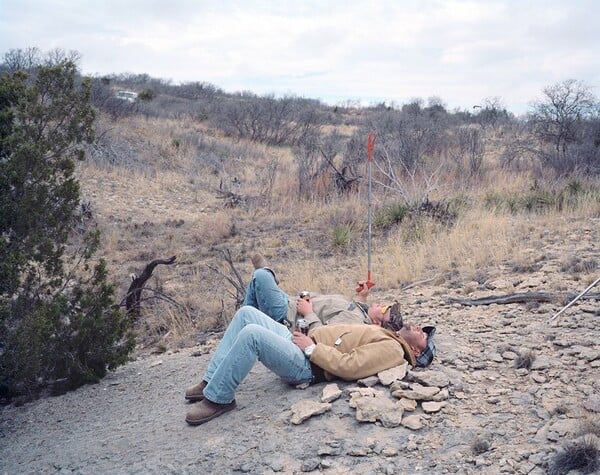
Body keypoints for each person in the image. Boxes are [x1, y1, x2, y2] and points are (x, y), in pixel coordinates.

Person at [184, 305, 436, 426]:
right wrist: (307, 336)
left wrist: (311, 348)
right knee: (246, 313)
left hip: (307, 364)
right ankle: (212, 380)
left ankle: (220, 398)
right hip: (304, 345)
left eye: (423, 334)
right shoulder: (390, 336)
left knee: (252, 334)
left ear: (415, 351)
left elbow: (350, 366)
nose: (418, 327)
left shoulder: (394, 350)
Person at [243, 254, 403, 331]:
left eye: (383, 309)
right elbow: (356, 310)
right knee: (253, 290)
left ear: (376, 323)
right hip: (290, 302)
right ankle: (243, 326)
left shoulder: (355, 320)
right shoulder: (361, 312)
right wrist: (362, 296)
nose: (382, 304)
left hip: (288, 315)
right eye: (386, 305)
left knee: (261, 276)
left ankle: (270, 275)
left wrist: (308, 312)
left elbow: (322, 333)